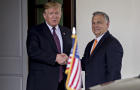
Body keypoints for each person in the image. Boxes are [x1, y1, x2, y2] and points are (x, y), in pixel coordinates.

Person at [26, 1, 72, 90]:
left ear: (60, 14)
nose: (54, 16)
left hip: (64, 83)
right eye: (51, 13)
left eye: (57, 13)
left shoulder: (67, 31)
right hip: (42, 82)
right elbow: (33, 51)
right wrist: (55, 57)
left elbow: (72, 51)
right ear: (44, 15)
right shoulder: (35, 31)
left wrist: (68, 58)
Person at [81, 11, 123, 89]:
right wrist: (69, 60)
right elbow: (84, 64)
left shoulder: (113, 44)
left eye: (99, 22)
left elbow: (114, 74)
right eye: (93, 23)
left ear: (107, 24)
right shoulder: (90, 44)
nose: (95, 25)